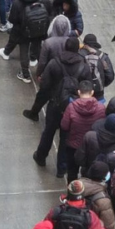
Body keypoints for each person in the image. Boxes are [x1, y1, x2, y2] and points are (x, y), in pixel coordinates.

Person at [33, 36, 91, 176]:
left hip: (55, 104)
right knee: (66, 137)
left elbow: (45, 84)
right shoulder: (84, 65)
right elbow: (87, 86)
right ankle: (61, 168)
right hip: (72, 106)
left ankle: (41, 156)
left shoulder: (54, 63)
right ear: (78, 48)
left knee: (48, 132)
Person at [1, 0, 52, 82]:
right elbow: (49, 11)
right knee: (38, 49)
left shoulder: (18, 2)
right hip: (39, 29)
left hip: (23, 31)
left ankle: (25, 74)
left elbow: (12, 19)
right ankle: (43, 72)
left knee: (24, 50)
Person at [61, 79, 106, 182]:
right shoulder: (101, 108)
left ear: (79, 92)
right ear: (92, 92)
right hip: (92, 147)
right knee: (90, 173)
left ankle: (72, 195)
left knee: (72, 172)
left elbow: (64, 126)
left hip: (74, 146)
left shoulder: (71, 107)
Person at [80, 32, 115, 102]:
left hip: (82, 92)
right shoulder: (103, 56)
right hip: (98, 94)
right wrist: (101, 83)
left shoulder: (79, 54)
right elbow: (110, 76)